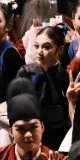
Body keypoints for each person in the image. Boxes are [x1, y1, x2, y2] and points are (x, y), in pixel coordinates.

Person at [16, 22, 71, 150]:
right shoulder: (26, 72)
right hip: (31, 134)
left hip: (60, 136)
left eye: (46, 47)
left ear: (60, 49)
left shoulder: (66, 76)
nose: (39, 52)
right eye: (36, 46)